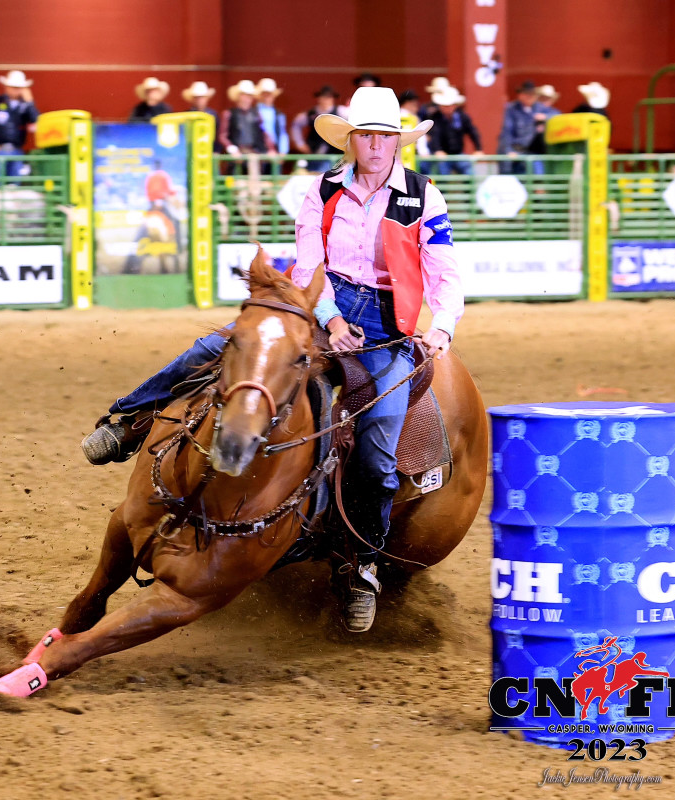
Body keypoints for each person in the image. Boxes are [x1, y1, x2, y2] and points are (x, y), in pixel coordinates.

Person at [84, 87, 461, 634]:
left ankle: (362, 566)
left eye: (384, 137)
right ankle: (129, 420)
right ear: (351, 141)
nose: (375, 146)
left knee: (379, 448)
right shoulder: (324, 190)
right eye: (366, 136)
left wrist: (442, 328)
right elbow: (310, 264)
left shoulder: (424, 198)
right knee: (216, 349)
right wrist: (329, 319)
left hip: (388, 327)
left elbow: (446, 272)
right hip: (319, 307)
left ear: (397, 142)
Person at [0, 70, 40, 176]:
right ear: (6, 87)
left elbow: (36, 121)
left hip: (17, 149)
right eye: (13, 87)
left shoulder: (25, 105)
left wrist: (30, 103)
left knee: (15, 183)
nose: (15, 90)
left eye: (19, 88)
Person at [427, 85, 482, 175]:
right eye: (444, 106)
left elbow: (473, 132)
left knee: (469, 172)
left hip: (458, 154)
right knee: (442, 173)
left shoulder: (462, 117)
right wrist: (438, 150)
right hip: (442, 156)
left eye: (449, 105)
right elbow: (434, 135)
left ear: (454, 105)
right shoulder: (434, 118)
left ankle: (469, 189)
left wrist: (478, 149)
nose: (447, 108)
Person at [291, 85, 344, 173]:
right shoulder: (311, 114)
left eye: (329, 97)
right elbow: (296, 124)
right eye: (323, 97)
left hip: (335, 153)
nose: (326, 100)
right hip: (314, 152)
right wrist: (300, 143)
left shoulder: (340, 112)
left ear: (333, 99)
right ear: (319, 98)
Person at [218, 80, 275, 157]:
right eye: (244, 95)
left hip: (255, 151)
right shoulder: (229, 114)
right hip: (236, 153)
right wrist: (232, 149)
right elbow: (222, 136)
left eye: (250, 95)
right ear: (238, 96)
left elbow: (264, 133)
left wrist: (271, 149)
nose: (247, 98)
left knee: (254, 162)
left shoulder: (257, 114)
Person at [498, 80, 539, 174]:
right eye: (527, 93)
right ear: (520, 95)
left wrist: (544, 118)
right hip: (515, 150)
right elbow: (507, 131)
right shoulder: (512, 109)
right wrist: (509, 150)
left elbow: (555, 114)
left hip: (530, 153)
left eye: (532, 94)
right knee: (508, 176)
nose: (530, 97)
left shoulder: (538, 108)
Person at [256, 77, 289, 158]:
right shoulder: (254, 112)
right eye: (264, 94)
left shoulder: (279, 114)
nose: (267, 97)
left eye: (269, 94)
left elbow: (282, 132)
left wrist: (283, 151)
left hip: (275, 148)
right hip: (258, 149)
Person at [181, 80, 219, 149]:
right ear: (192, 99)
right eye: (197, 97)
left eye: (202, 97)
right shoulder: (186, 114)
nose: (199, 100)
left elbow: (217, 134)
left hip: (208, 149)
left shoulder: (213, 114)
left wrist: (216, 150)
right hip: (190, 148)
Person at [527, 84, 561, 155]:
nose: (545, 100)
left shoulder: (554, 112)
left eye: (548, 98)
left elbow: (559, 118)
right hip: (532, 147)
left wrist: (545, 117)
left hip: (549, 148)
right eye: (543, 98)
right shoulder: (532, 109)